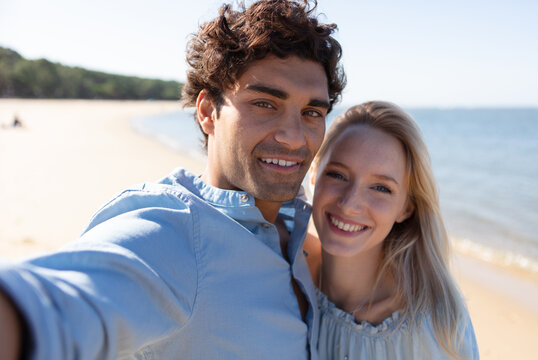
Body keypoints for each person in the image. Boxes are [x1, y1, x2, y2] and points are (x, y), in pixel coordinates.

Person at [0, 0, 346, 358]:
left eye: (311, 112)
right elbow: (59, 306)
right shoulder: (175, 232)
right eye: (265, 104)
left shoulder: (301, 240)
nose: (293, 136)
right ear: (208, 112)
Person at [303, 101, 479, 359]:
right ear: (314, 173)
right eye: (337, 175)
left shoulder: (431, 329)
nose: (350, 204)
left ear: (406, 208)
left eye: (381, 188)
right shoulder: (286, 266)